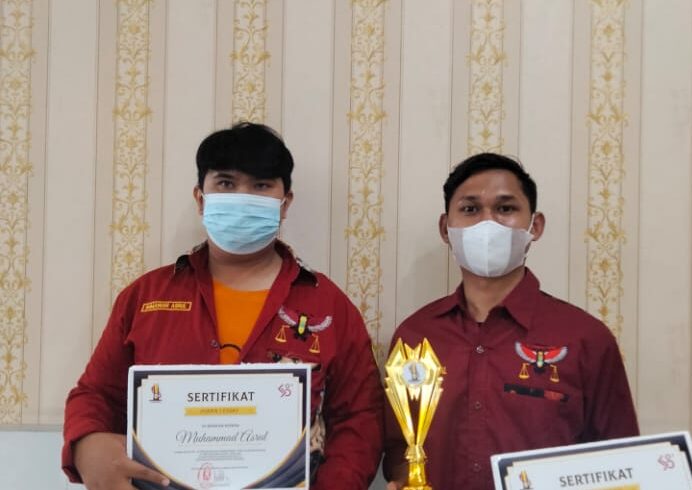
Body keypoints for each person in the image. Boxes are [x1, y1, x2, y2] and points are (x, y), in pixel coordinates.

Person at [62, 122, 384, 490]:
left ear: (285, 203)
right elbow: (96, 395)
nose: (242, 198)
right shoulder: (145, 298)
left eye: (261, 186)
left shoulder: (329, 306)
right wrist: (88, 446)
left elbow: (359, 417)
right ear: (201, 199)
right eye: (226, 183)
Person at [383, 153, 639, 490]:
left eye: (505, 208)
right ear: (446, 228)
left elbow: (622, 463)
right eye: (470, 209)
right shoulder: (415, 336)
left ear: (535, 226)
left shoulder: (585, 339)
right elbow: (398, 450)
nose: (488, 223)